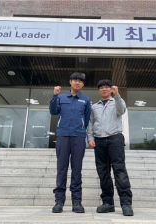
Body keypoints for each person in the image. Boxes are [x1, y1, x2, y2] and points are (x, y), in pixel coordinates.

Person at [87, 79, 134, 216]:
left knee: (119, 170)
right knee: (103, 172)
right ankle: (108, 203)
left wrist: (117, 95)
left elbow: (122, 110)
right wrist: (90, 138)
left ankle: (126, 203)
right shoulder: (94, 107)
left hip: (115, 138)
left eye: (107, 87)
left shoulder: (117, 101)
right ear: (99, 90)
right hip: (99, 141)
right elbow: (90, 123)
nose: (104, 89)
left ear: (111, 89)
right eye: (101, 87)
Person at [49, 72, 91, 213]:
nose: (77, 82)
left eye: (80, 81)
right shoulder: (60, 98)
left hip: (78, 137)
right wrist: (54, 95)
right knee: (62, 168)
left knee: (77, 169)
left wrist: (82, 131)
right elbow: (53, 111)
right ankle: (59, 201)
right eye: (75, 80)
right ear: (70, 82)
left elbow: (86, 119)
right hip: (62, 136)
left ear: (83, 84)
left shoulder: (85, 100)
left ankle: (77, 202)